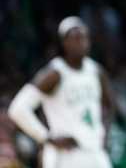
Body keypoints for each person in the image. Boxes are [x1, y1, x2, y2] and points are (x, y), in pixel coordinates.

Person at [8, 16, 114, 168]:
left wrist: (104, 131)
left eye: (84, 37)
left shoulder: (95, 70)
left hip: (94, 151)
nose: (82, 42)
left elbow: (109, 105)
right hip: (66, 155)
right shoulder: (54, 73)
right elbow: (17, 109)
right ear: (64, 43)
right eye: (76, 38)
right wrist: (46, 138)